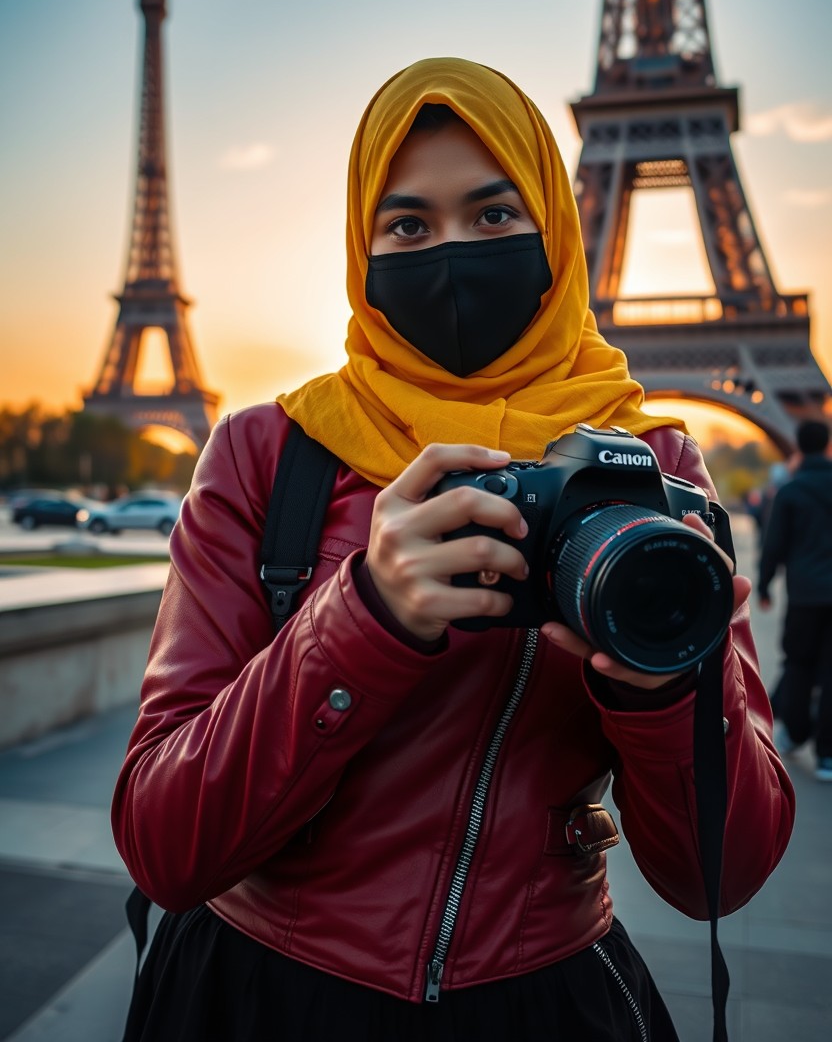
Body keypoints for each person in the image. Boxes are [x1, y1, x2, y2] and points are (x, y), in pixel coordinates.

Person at [113, 58, 794, 1041]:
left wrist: (657, 679)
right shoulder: (270, 456)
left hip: (543, 998)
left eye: (492, 215)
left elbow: (717, 876)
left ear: (556, 228)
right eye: (408, 226)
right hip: (259, 994)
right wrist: (365, 616)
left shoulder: (653, 466)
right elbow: (162, 844)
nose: (451, 254)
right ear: (360, 243)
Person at [758, 419, 832, 781]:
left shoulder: (790, 491)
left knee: (799, 663)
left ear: (800, 446)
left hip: (804, 593)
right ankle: (828, 755)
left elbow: (774, 544)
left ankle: (796, 731)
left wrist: (764, 584)